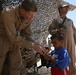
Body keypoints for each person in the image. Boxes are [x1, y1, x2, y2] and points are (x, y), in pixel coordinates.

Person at [0, 0, 47, 75]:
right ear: (22, 11)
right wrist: (32, 45)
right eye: (30, 15)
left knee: (16, 64)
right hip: (2, 40)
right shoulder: (8, 13)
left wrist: (36, 44)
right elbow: (12, 37)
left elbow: (26, 35)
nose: (32, 18)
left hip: (15, 41)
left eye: (33, 15)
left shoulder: (27, 18)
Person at [48, 2, 76, 75]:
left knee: (72, 60)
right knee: (63, 60)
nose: (67, 8)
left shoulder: (70, 21)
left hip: (71, 43)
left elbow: (74, 32)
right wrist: (58, 30)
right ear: (60, 9)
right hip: (61, 43)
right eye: (65, 7)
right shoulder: (56, 20)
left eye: (67, 7)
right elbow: (50, 30)